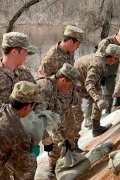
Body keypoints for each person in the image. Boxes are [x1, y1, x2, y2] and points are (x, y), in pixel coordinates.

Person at [36, 25, 85, 155]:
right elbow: (42, 81)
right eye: (77, 44)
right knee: (58, 137)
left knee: (71, 128)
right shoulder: (51, 57)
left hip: (67, 99)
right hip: (55, 103)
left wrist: (74, 92)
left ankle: (73, 151)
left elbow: (70, 75)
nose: (78, 47)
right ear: (70, 42)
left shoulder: (70, 53)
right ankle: (53, 166)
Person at [35, 63, 82, 177]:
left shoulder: (55, 90)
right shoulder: (45, 88)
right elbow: (36, 119)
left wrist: (64, 137)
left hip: (32, 124)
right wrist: (46, 140)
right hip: (20, 125)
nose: (70, 89)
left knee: (57, 142)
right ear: (63, 80)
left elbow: (58, 115)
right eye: (70, 85)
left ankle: (53, 170)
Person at [74, 44, 120, 137]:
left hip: (81, 81)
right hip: (73, 86)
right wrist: (97, 99)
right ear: (113, 58)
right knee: (77, 116)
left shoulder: (103, 59)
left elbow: (95, 80)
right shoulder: (98, 64)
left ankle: (96, 128)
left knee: (99, 97)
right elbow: (89, 83)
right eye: (117, 59)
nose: (117, 61)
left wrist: (98, 96)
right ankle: (72, 145)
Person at [84, 33, 120, 129]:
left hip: (109, 73)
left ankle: (108, 114)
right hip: (98, 73)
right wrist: (102, 75)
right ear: (118, 34)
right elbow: (99, 57)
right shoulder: (106, 43)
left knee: (109, 94)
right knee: (93, 95)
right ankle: (88, 119)